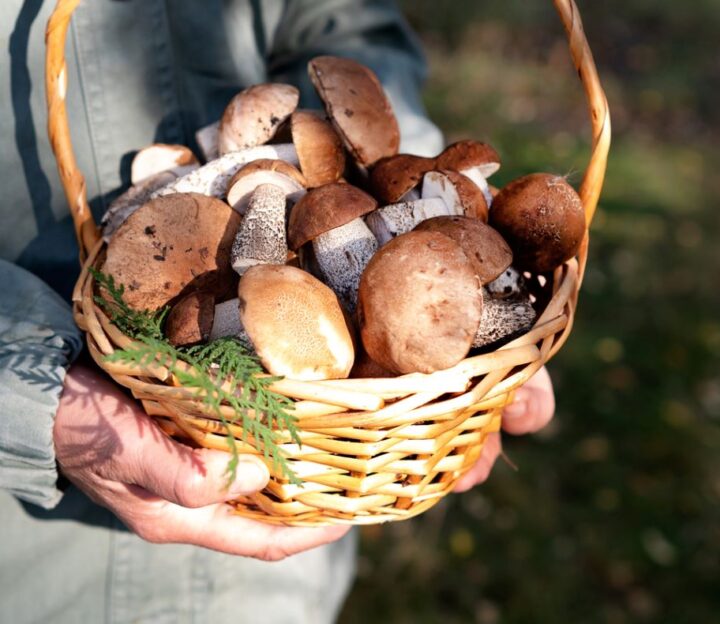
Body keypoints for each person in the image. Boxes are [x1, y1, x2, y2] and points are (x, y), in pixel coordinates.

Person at [0, 0, 555, 622]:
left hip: (290, 551)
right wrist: (30, 391)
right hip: (35, 551)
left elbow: (344, 24)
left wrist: (429, 212)